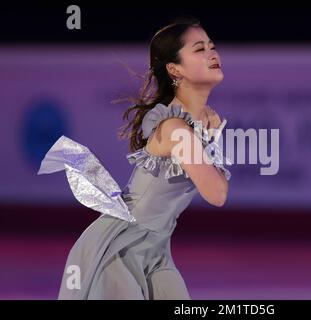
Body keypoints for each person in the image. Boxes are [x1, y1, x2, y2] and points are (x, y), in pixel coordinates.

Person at [37, 17, 231, 299]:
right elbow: (217, 193)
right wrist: (213, 142)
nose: (212, 53)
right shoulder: (176, 128)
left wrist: (210, 138)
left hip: (156, 251)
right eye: (199, 49)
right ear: (175, 69)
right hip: (119, 248)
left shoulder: (189, 126)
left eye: (212, 46)